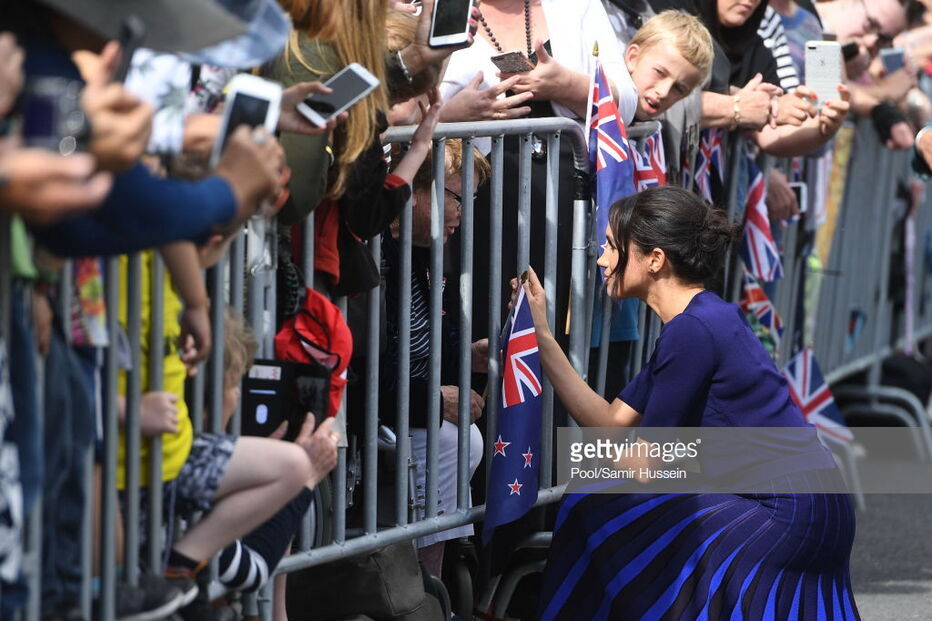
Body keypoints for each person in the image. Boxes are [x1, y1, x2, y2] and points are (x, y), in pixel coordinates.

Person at [519, 186, 859, 619]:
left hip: (786, 512)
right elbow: (609, 425)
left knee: (597, 493)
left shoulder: (692, 330)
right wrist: (544, 336)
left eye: (610, 246)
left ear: (655, 259)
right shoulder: (703, 318)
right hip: (810, 504)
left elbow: (646, 464)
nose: (602, 259)